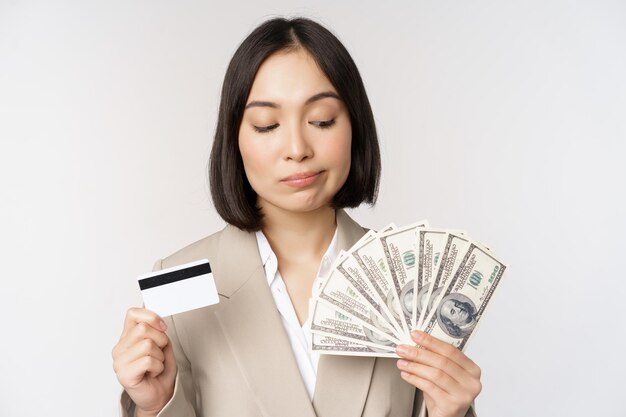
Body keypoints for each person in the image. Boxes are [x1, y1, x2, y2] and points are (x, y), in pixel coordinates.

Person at [112, 17, 482, 417]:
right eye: (266, 124)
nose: (297, 148)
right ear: (235, 139)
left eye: (322, 120)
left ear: (355, 126)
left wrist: (452, 413)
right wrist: (154, 406)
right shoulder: (181, 278)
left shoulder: (410, 279)